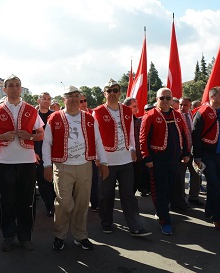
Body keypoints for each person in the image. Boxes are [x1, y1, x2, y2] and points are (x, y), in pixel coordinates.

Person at [0, 74, 44, 252]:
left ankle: (25, 237)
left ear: (21, 87)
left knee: (27, 201)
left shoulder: (31, 110)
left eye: (17, 85)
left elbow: (41, 133)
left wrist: (30, 136)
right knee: (6, 201)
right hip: (5, 161)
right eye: (11, 85)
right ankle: (8, 235)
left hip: (27, 161)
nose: (15, 88)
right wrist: (0, 137)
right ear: (5, 89)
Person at [43, 85, 109, 251]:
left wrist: (104, 162)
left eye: (75, 96)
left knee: (81, 203)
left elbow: (98, 141)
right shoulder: (55, 118)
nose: (73, 99)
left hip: (85, 165)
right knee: (63, 203)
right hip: (63, 166)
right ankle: (60, 235)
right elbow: (46, 144)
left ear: (80, 99)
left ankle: (80, 235)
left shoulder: (89, 118)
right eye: (69, 96)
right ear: (64, 99)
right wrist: (46, 165)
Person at [94, 79, 151, 237]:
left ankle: (135, 225)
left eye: (115, 90)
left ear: (120, 92)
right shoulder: (97, 112)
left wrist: (132, 148)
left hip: (125, 159)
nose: (112, 93)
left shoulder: (127, 110)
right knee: (106, 194)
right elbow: (94, 137)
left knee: (128, 195)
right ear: (104, 93)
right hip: (107, 160)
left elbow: (132, 132)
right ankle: (106, 222)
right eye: (109, 90)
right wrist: (97, 158)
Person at [140, 87, 190, 235]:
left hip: (174, 159)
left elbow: (184, 133)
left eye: (168, 98)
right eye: (162, 98)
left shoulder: (177, 115)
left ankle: (162, 211)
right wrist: (147, 157)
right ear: (157, 99)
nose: (166, 101)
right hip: (158, 160)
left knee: (170, 189)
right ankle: (164, 220)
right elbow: (143, 139)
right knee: (160, 191)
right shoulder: (150, 116)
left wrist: (186, 152)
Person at [192, 86, 220, 231]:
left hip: (219, 155)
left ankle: (209, 211)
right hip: (207, 155)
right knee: (214, 184)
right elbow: (195, 135)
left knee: (216, 185)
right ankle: (217, 217)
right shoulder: (202, 112)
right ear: (212, 97)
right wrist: (197, 156)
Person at [177, 97, 204, 207]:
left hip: (193, 151)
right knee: (180, 177)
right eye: (181, 104)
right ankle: (180, 199)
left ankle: (194, 197)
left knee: (196, 175)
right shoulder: (176, 116)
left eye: (185, 105)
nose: (183, 107)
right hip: (181, 152)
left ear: (190, 106)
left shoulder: (193, 115)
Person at [34, 92, 56, 217]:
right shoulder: (33, 116)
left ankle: (57, 202)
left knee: (55, 180)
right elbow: (28, 136)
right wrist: (33, 152)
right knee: (43, 181)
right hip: (38, 154)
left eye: (49, 99)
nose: (47, 101)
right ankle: (49, 205)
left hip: (54, 153)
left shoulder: (54, 115)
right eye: (44, 99)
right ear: (39, 100)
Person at [79, 92, 99, 211]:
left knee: (94, 179)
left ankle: (95, 202)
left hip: (92, 153)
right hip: (78, 154)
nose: (83, 103)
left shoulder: (93, 114)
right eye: (80, 101)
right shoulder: (72, 115)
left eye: (84, 100)